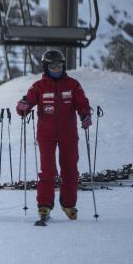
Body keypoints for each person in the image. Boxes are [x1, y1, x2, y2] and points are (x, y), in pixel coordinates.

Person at [16, 49, 92, 222]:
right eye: (53, 66)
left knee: (70, 169)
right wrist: (23, 107)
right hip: (46, 134)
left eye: (59, 66)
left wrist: (85, 115)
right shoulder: (39, 86)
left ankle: (69, 204)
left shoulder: (72, 85)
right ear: (46, 67)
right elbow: (28, 101)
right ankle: (44, 205)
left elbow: (82, 103)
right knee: (48, 171)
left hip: (68, 134)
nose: (56, 69)